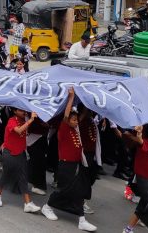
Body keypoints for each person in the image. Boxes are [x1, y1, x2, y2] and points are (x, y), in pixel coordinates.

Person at [42, 88, 98, 232]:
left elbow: (82, 115)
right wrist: (71, 97)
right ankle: (47, 206)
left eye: (76, 120)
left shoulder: (75, 129)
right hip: (65, 164)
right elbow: (67, 114)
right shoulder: (64, 128)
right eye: (73, 120)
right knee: (64, 189)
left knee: (77, 190)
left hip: (76, 164)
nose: (76, 122)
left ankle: (81, 219)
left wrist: (88, 101)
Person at [0, 106, 43, 215]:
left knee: (23, 177)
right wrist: (30, 120)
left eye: (24, 110)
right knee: (6, 174)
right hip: (9, 152)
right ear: (14, 111)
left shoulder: (23, 120)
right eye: (21, 110)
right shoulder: (11, 121)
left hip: (21, 152)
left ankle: (27, 203)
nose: (24, 112)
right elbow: (19, 130)